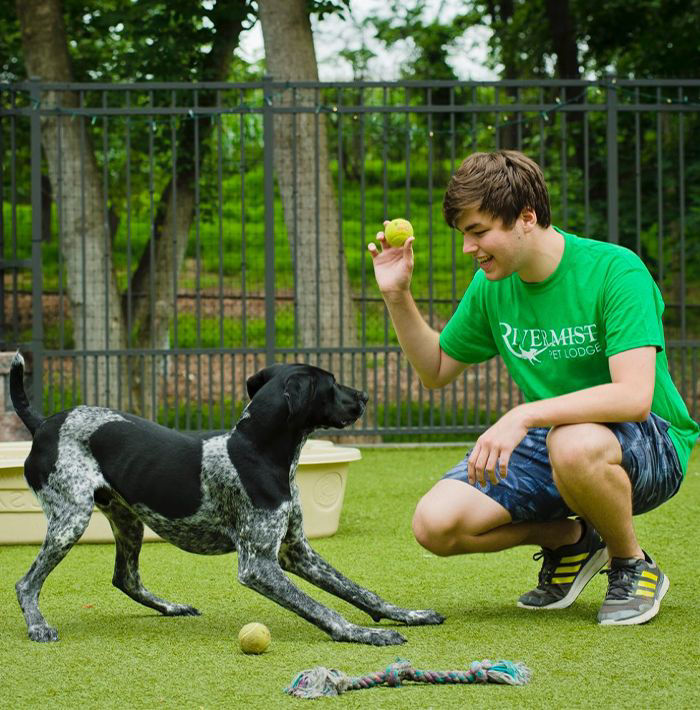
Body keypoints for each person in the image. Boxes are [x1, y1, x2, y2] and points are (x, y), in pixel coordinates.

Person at [368, 150, 699, 626]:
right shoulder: (492, 286)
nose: (469, 248)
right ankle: (574, 540)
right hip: (559, 441)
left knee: (572, 441)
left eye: (478, 231)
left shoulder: (615, 271)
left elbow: (634, 397)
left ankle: (631, 563)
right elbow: (436, 368)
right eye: (464, 234)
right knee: (435, 525)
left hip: (650, 442)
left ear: (526, 217)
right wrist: (396, 295)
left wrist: (522, 415)